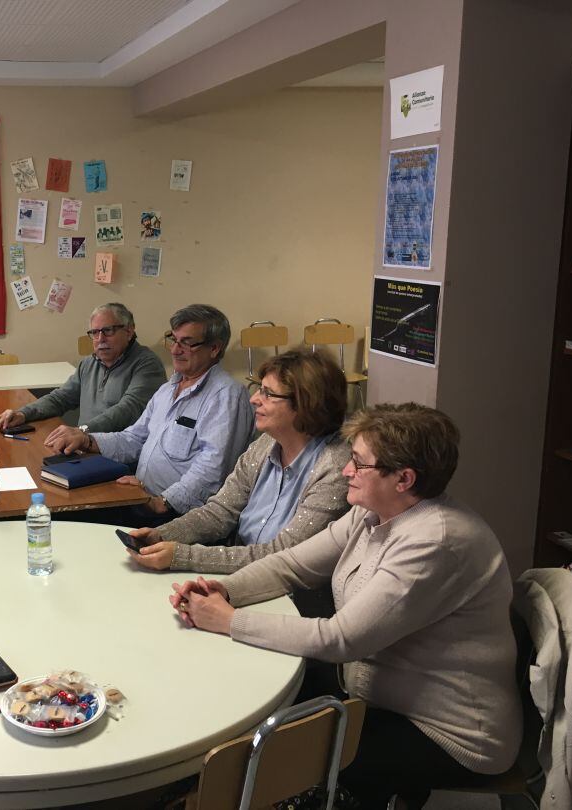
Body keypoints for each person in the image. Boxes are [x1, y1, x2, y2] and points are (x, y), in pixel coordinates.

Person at [170, 404, 521, 808]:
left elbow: (342, 640)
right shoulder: (373, 513)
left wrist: (228, 620)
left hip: (449, 732)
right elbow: (292, 565)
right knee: (256, 706)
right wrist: (222, 589)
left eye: (359, 462)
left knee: (288, 760)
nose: (345, 471)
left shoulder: (435, 542)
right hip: (381, 691)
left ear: (404, 479)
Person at [128, 348, 350, 576]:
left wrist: (183, 556)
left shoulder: (335, 467)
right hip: (241, 571)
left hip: (291, 595)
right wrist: (161, 535)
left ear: (306, 403)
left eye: (268, 394)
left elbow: (284, 554)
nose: (254, 399)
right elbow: (221, 512)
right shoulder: (265, 444)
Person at [48, 304, 253, 526]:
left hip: (178, 516)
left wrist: (162, 502)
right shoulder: (168, 389)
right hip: (141, 497)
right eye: (174, 340)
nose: (175, 350)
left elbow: (213, 469)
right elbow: (134, 438)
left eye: (187, 342)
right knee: (60, 514)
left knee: (73, 522)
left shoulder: (226, 396)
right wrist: (87, 440)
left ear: (214, 348)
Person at [0, 303, 166, 437]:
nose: (100, 339)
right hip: (85, 445)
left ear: (129, 331)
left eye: (108, 331)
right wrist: (23, 413)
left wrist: (82, 431)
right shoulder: (89, 363)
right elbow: (61, 398)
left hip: (121, 454)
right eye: (95, 332)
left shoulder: (147, 365)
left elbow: (128, 410)